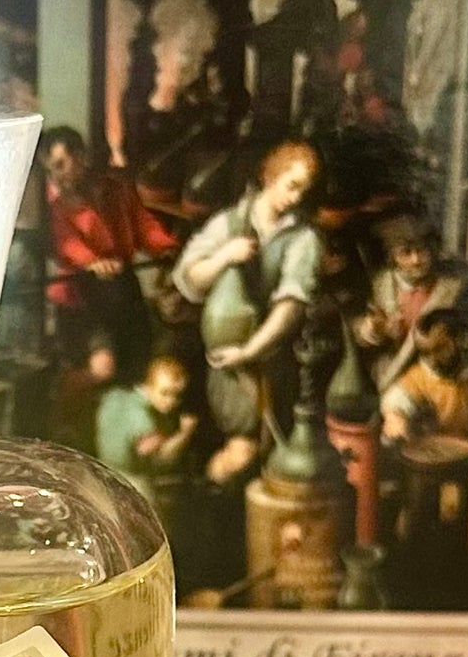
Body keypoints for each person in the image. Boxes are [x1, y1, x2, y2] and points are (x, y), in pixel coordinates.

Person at [172, 139, 323, 447]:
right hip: (223, 358)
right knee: (238, 443)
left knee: (268, 444)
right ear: (270, 176)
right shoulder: (227, 223)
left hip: (271, 357)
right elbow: (190, 280)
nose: (295, 198)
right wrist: (224, 257)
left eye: (303, 191)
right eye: (292, 186)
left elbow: (291, 306)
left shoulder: (303, 238)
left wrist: (250, 351)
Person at [40, 125, 176, 380]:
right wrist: (92, 262)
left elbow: (143, 224)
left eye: (61, 165)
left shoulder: (115, 189)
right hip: (79, 297)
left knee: (141, 357)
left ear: (81, 157)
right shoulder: (55, 205)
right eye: (51, 169)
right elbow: (66, 242)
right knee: (102, 368)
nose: (56, 176)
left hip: (122, 284)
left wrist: (165, 246)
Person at [379, 307, 468, 443]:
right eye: (425, 352)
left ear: (459, 340)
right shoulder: (420, 376)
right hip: (446, 451)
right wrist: (396, 421)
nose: (432, 359)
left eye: (439, 348)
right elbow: (396, 402)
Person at [352, 214, 462, 390]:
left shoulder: (451, 287)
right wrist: (374, 329)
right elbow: (359, 327)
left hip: (438, 374)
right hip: (389, 372)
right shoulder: (379, 284)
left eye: (422, 251)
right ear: (393, 257)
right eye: (406, 253)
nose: (416, 260)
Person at [95, 355, 197, 523]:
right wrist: (184, 433)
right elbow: (159, 456)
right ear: (149, 386)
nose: (170, 401)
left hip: (99, 476)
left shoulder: (114, 396)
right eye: (165, 393)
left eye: (177, 395)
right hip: (128, 482)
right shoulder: (143, 417)